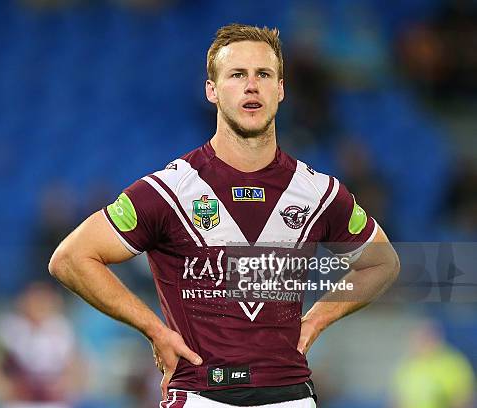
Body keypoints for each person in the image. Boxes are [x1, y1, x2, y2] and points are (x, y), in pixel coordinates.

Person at [49, 23, 400, 407]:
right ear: (212, 91)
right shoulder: (169, 190)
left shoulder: (318, 192)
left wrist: (318, 317)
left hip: (291, 396)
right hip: (201, 394)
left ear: (280, 90)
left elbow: (381, 263)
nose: (252, 86)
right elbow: (71, 258)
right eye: (237, 75)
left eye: (263, 75)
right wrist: (153, 329)